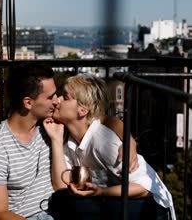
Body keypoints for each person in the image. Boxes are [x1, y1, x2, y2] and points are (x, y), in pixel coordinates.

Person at [0, 63, 138, 220]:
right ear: (28, 102)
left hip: (66, 209)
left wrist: (129, 141)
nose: (57, 101)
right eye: (50, 97)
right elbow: (0, 212)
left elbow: (101, 119)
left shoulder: (51, 125)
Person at [43, 74, 175, 219]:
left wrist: (101, 192)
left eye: (66, 97)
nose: (58, 100)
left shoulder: (103, 141)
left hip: (151, 207)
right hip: (117, 202)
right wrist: (56, 139)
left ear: (82, 110)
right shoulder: (70, 140)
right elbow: (61, 186)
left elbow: (146, 187)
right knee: (61, 202)